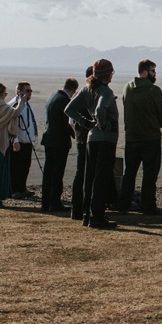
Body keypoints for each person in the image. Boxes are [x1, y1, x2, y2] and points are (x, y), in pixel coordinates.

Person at [65, 59, 119, 229]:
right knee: (101, 178)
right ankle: (97, 217)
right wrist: (102, 124)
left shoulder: (86, 89)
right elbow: (100, 110)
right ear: (107, 74)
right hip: (106, 139)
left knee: (89, 177)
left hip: (91, 138)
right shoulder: (106, 92)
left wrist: (86, 123)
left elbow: (69, 109)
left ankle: (86, 215)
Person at [120, 59, 162, 215]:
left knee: (129, 173)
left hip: (131, 137)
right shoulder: (154, 91)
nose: (155, 74)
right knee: (150, 174)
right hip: (151, 138)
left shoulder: (127, 88)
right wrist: (153, 125)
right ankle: (148, 206)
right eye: (153, 70)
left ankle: (124, 203)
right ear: (145, 72)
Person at [40, 77, 78, 212]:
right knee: (57, 172)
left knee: (49, 171)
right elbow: (66, 124)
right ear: (74, 90)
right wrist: (77, 136)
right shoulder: (65, 101)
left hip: (49, 137)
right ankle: (54, 202)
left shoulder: (53, 96)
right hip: (59, 141)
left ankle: (46, 202)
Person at [69, 65, 93, 221]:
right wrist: (87, 124)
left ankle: (77, 209)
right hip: (86, 139)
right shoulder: (88, 95)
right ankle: (83, 209)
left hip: (80, 138)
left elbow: (71, 120)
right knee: (86, 174)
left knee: (81, 173)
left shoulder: (79, 95)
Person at [7, 81, 38, 199]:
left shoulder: (28, 105)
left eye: (30, 91)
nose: (30, 93)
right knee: (15, 167)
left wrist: (34, 139)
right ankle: (14, 190)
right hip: (17, 142)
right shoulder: (14, 104)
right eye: (27, 91)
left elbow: (32, 122)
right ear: (19, 92)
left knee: (25, 166)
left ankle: (22, 188)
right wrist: (15, 141)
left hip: (27, 142)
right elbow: (12, 124)